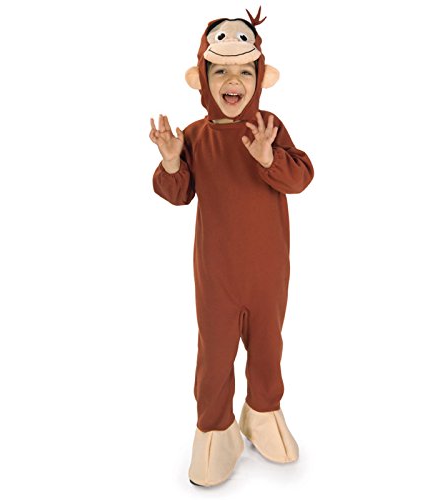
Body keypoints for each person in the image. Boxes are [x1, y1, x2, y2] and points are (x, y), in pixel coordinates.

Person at [150, 8, 314, 487]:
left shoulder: (269, 126)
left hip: (268, 271)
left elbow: (301, 177)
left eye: (244, 70)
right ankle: (215, 430)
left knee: (267, 344)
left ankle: (262, 413)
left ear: (261, 77)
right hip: (216, 274)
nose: (233, 80)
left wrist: (268, 157)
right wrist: (172, 161)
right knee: (216, 353)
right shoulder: (196, 135)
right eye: (220, 70)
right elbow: (178, 193)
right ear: (201, 78)